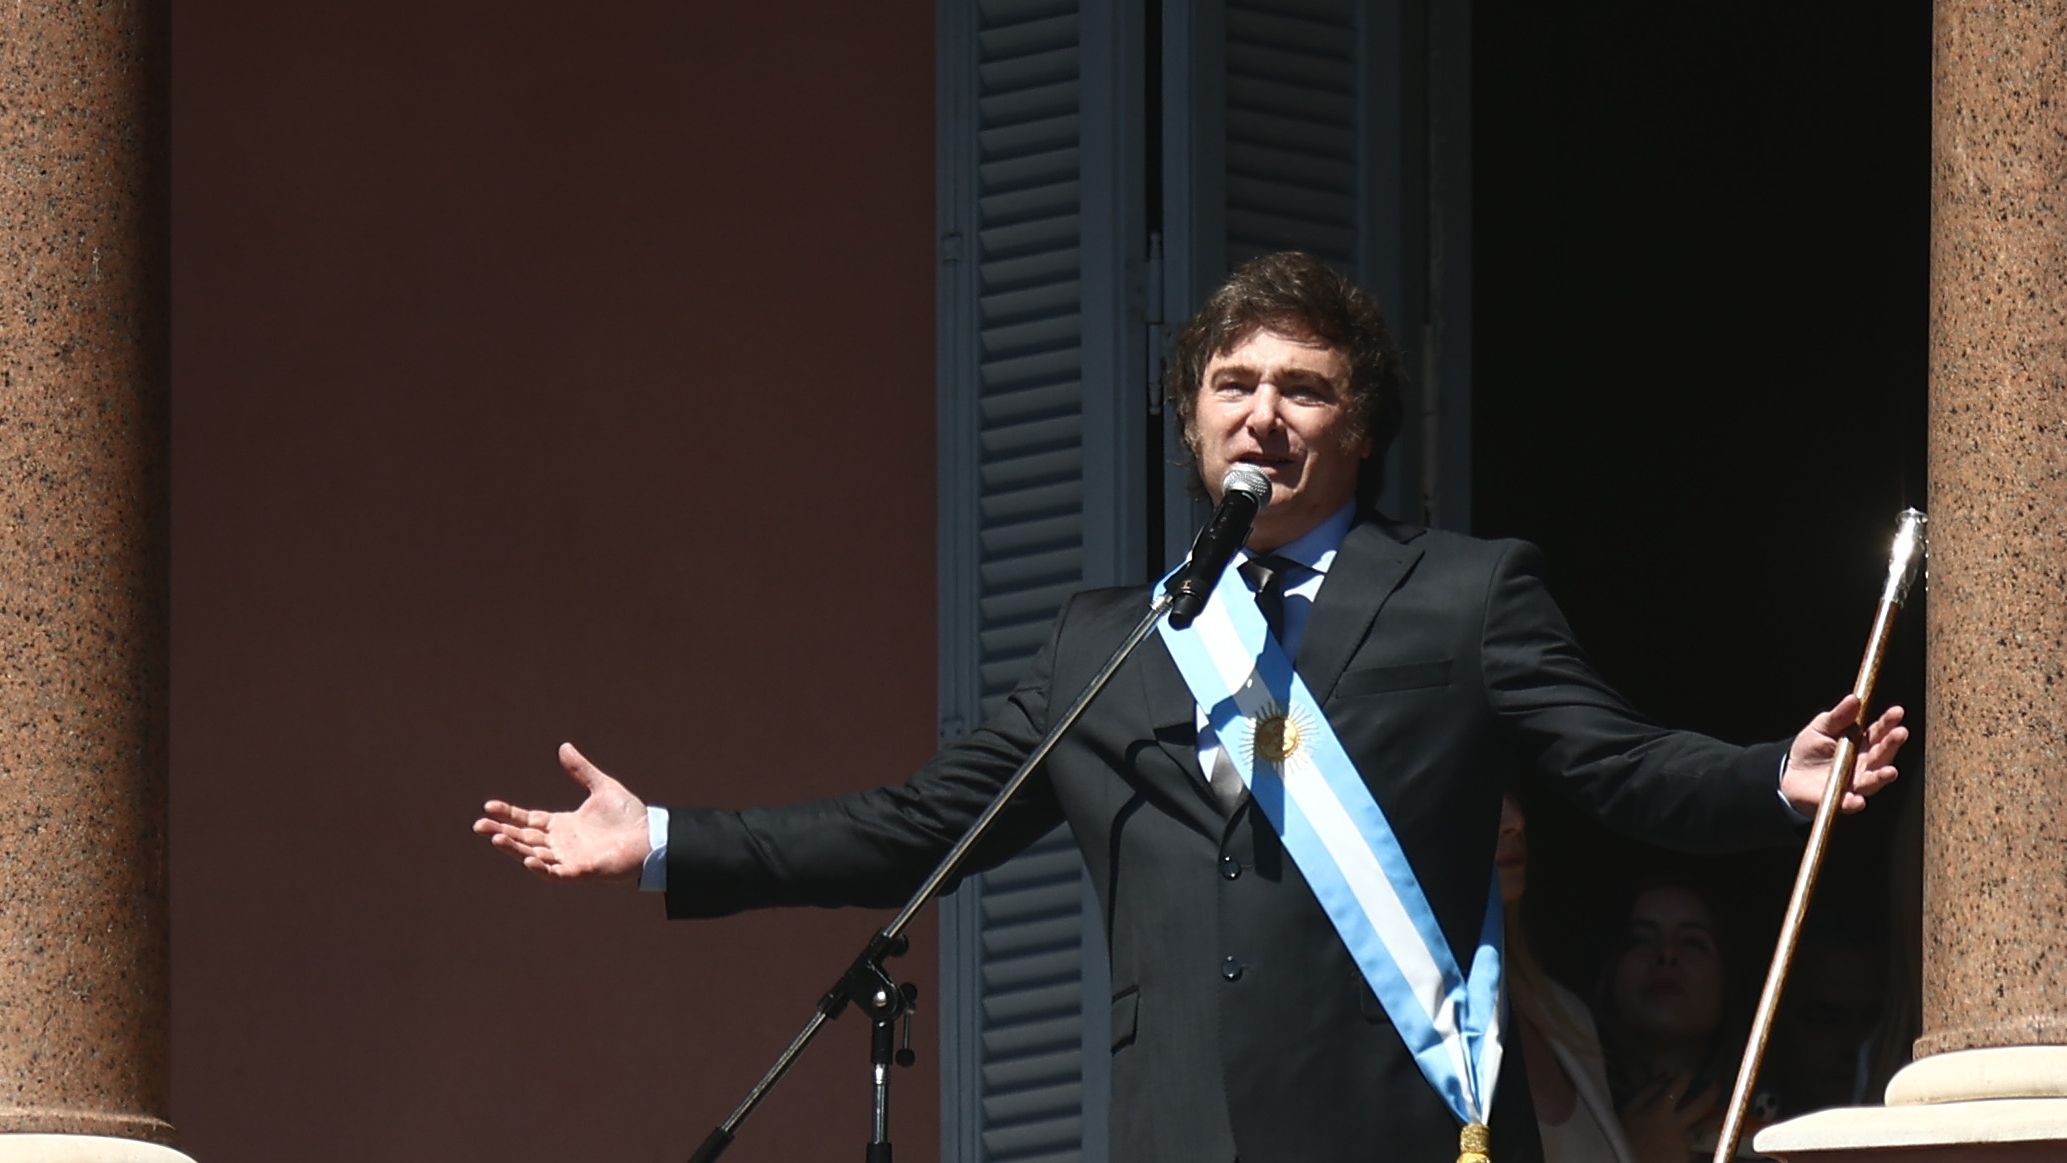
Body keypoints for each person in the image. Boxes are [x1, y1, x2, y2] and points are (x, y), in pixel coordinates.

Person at [474, 251, 1908, 1163]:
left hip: (1400, 1126)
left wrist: (1763, 777)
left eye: (1303, 387)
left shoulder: (1464, 592)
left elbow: (1614, 760)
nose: (1261, 411)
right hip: (1178, 1129)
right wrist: (663, 838)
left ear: (1360, 427)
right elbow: (919, 824)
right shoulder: (1109, 641)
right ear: (1191, 419)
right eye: (1232, 382)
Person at [1498, 793, 1640, 1163]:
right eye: (1477, 794)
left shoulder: (1565, 1015)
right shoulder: (1393, 1030)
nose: (1514, 821)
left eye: (1509, 791)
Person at [1594, 876, 1759, 1161]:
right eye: (1641, 940)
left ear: (1727, 980)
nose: (1667, 954)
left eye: (1693, 943)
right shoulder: (1567, 1105)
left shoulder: (1768, 1129)